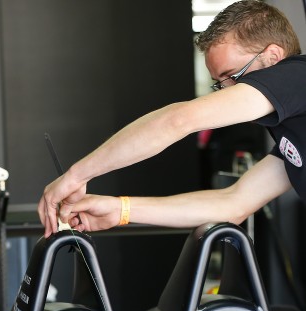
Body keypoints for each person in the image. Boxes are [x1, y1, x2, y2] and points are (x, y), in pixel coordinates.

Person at [37, 0, 304, 236]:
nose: (226, 90)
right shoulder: (291, 137)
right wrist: (121, 210)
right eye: (219, 82)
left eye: (233, 76)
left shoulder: (297, 76)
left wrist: (76, 175)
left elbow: (178, 120)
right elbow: (233, 204)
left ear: (273, 57)